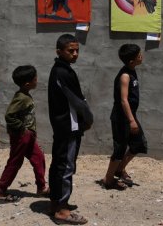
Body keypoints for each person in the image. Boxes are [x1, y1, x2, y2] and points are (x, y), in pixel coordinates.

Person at [48, 34, 93, 224]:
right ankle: (61, 209)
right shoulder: (63, 73)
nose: (75, 54)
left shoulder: (62, 70)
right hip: (68, 126)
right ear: (59, 52)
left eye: (77, 51)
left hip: (64, 125)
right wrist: (88, 118)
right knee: (66, 166)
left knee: (59, 163)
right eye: (70, 51)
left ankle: (56, 202)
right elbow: (77, 101)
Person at [0, 65, 49, 202]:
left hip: (28, 136)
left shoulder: (25, 95)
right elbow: (9, 115)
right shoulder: (21, 98)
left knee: (39, 158)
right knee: (15, 161)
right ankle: (1, 191)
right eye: (35, 79)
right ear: (27, 83)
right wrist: (23, 129)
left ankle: (41, 187)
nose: (37, 80)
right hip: (21, 136)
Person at [102, 44, 148, 190]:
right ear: (131, 61)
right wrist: (131, 120)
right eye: (139, 55)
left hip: (129, 116)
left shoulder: (132, 71)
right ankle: (108, 179)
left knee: (139, 144)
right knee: (120, 148)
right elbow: (123, 100)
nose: (141, 56)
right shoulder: (125, 75)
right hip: (121, 118)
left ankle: (119, 169)